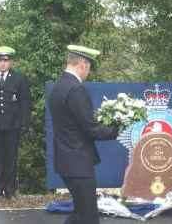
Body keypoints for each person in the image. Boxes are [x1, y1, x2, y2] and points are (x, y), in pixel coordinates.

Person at [49, 45, 119, 224]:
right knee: (88, 216)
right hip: (78, 162)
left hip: (66, 160)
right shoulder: (76, 89)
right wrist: (116, 129)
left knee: (81, 213)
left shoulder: (58, 87)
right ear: (82, 65)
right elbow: (91, 128)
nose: (88, 73)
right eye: (88, 68)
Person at [0, 46, 31, 199]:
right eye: (0, 60)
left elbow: (25, 103)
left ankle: (10, 190)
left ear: (11, 62)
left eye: (6, 60)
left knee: (11, 159)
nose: (3, 64)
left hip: (12, 126)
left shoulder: (19, 78)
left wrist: (24, 124)